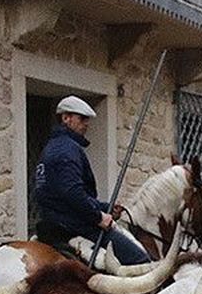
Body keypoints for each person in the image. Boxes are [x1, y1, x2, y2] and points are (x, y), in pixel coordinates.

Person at [33, 95, 151, 267]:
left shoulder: (51, 148)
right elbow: (72, 193)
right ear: (66, 118)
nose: (86, 123)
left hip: (51, 223)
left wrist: (105, 207)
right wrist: (98, 217)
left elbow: (60, 194)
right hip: (73, 226)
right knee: (139, 260)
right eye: (82, 118)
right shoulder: (68, 150)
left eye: (87, 119)